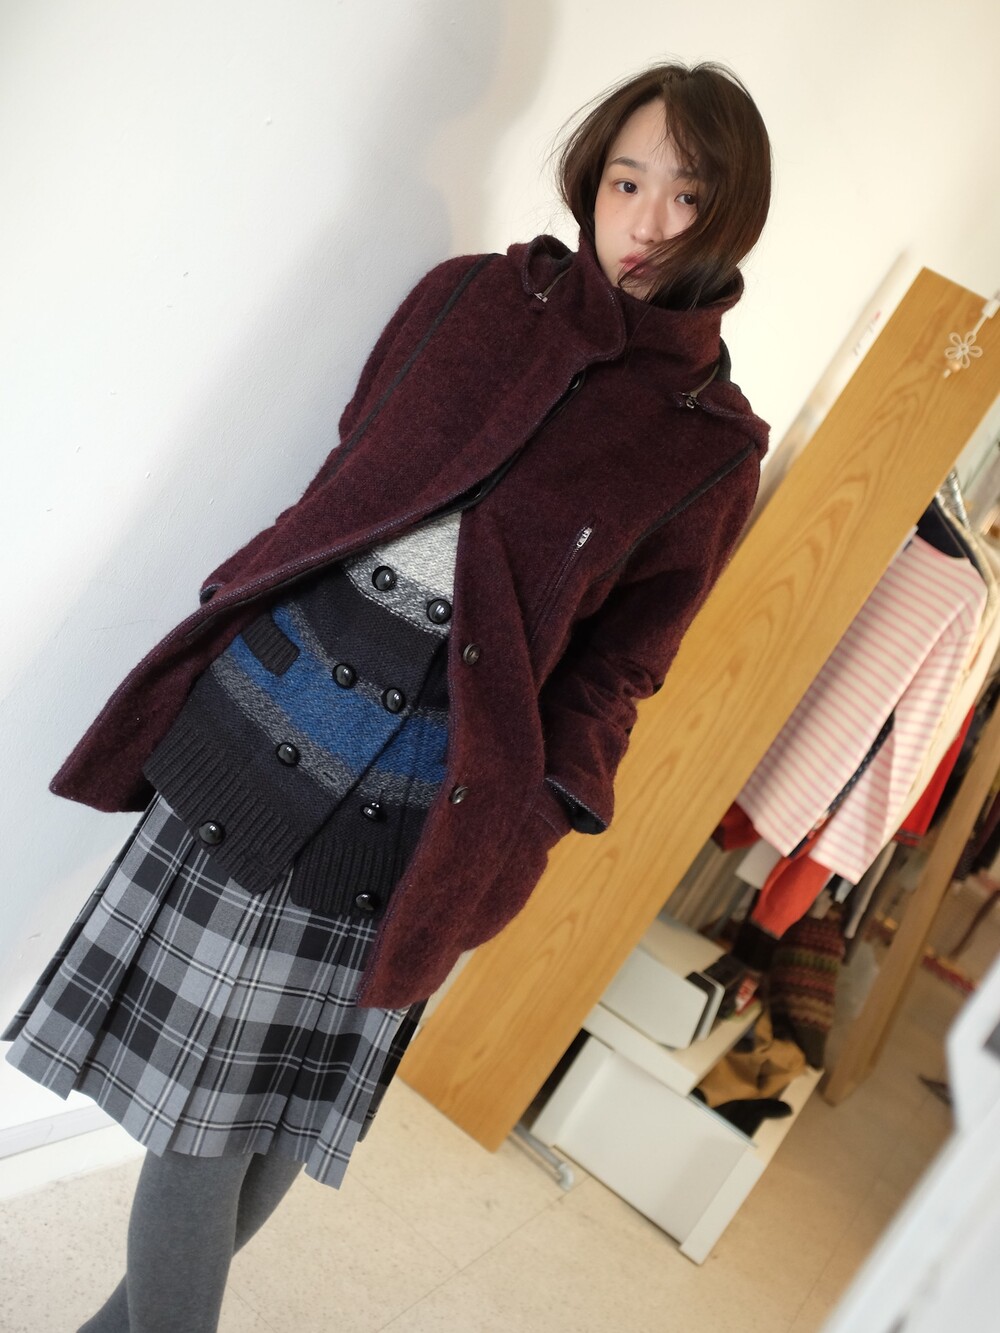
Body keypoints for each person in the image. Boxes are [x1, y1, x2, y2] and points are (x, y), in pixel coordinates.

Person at [3, 60, 771, 1332]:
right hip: (271, 722)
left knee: (280, 1115)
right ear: (589, 180)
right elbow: (351, 467)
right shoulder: (470, 297)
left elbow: (622, 665)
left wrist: (537, 815)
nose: (644, 222)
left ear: (732, 216)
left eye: (685, 196)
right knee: (201, 1124)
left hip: (434, 800)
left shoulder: (709, 446)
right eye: (625, 182)